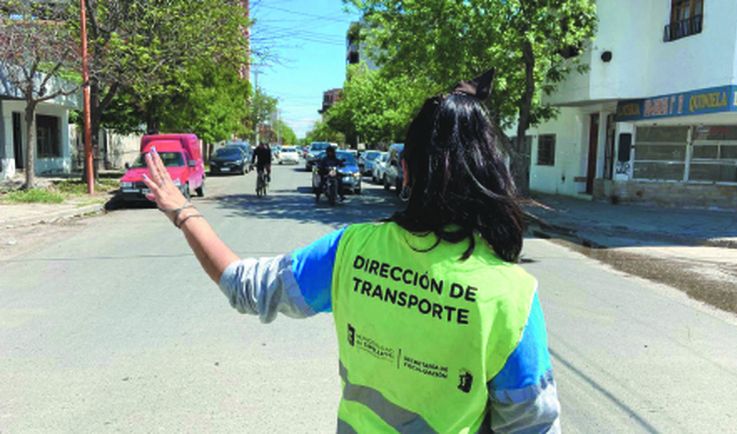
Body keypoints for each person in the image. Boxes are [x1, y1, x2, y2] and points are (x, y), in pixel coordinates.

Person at [141, 69, 559, 433]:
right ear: (491, 171)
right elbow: (532, 425)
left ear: (407, 171)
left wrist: (184, 212)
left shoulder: (352, 250)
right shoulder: (512, 297)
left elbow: (243, 284)